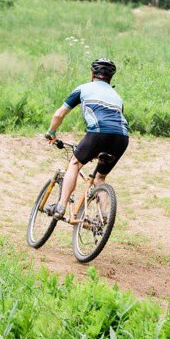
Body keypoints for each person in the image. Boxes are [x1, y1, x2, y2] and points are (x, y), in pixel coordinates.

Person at [43, 58, 129, 220]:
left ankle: (61, 206)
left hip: (98, 133)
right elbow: (114, 122)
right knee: (100, 177)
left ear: (92, 74)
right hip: (122, 137)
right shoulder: (117, 97)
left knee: (75, 164)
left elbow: (59, 114)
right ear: (110, 78)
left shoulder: (83, 88)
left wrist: (51, 132)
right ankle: (102, 218)